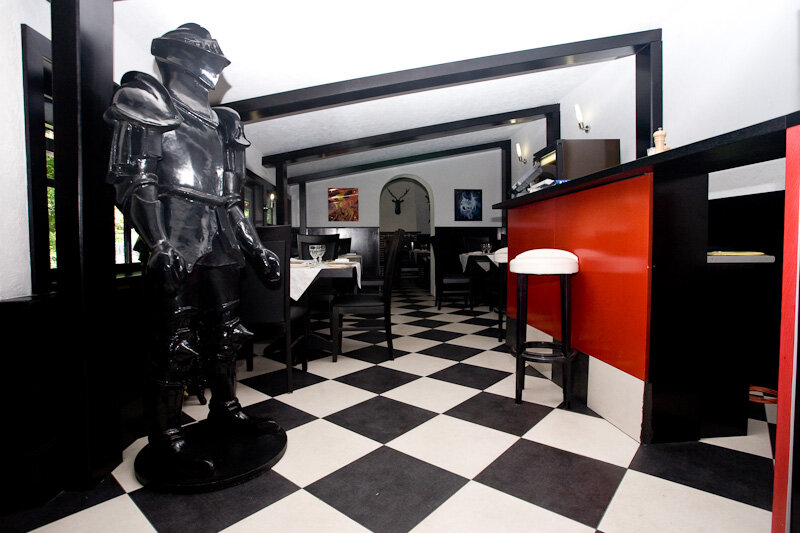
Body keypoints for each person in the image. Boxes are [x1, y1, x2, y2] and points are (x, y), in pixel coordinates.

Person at [104, 23, 280, 478]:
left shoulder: (225, 122)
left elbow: (231, 200)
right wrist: (158, 241)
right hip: (175, 231)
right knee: (173, 341)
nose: (213, 71)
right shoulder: (146, 99)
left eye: (217, 63)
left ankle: (226, 408)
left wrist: (255, 247)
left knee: (227, 333)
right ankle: (166, 436)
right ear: (177, 58)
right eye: (207, 60)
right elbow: (135, 179)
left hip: (220, 235)